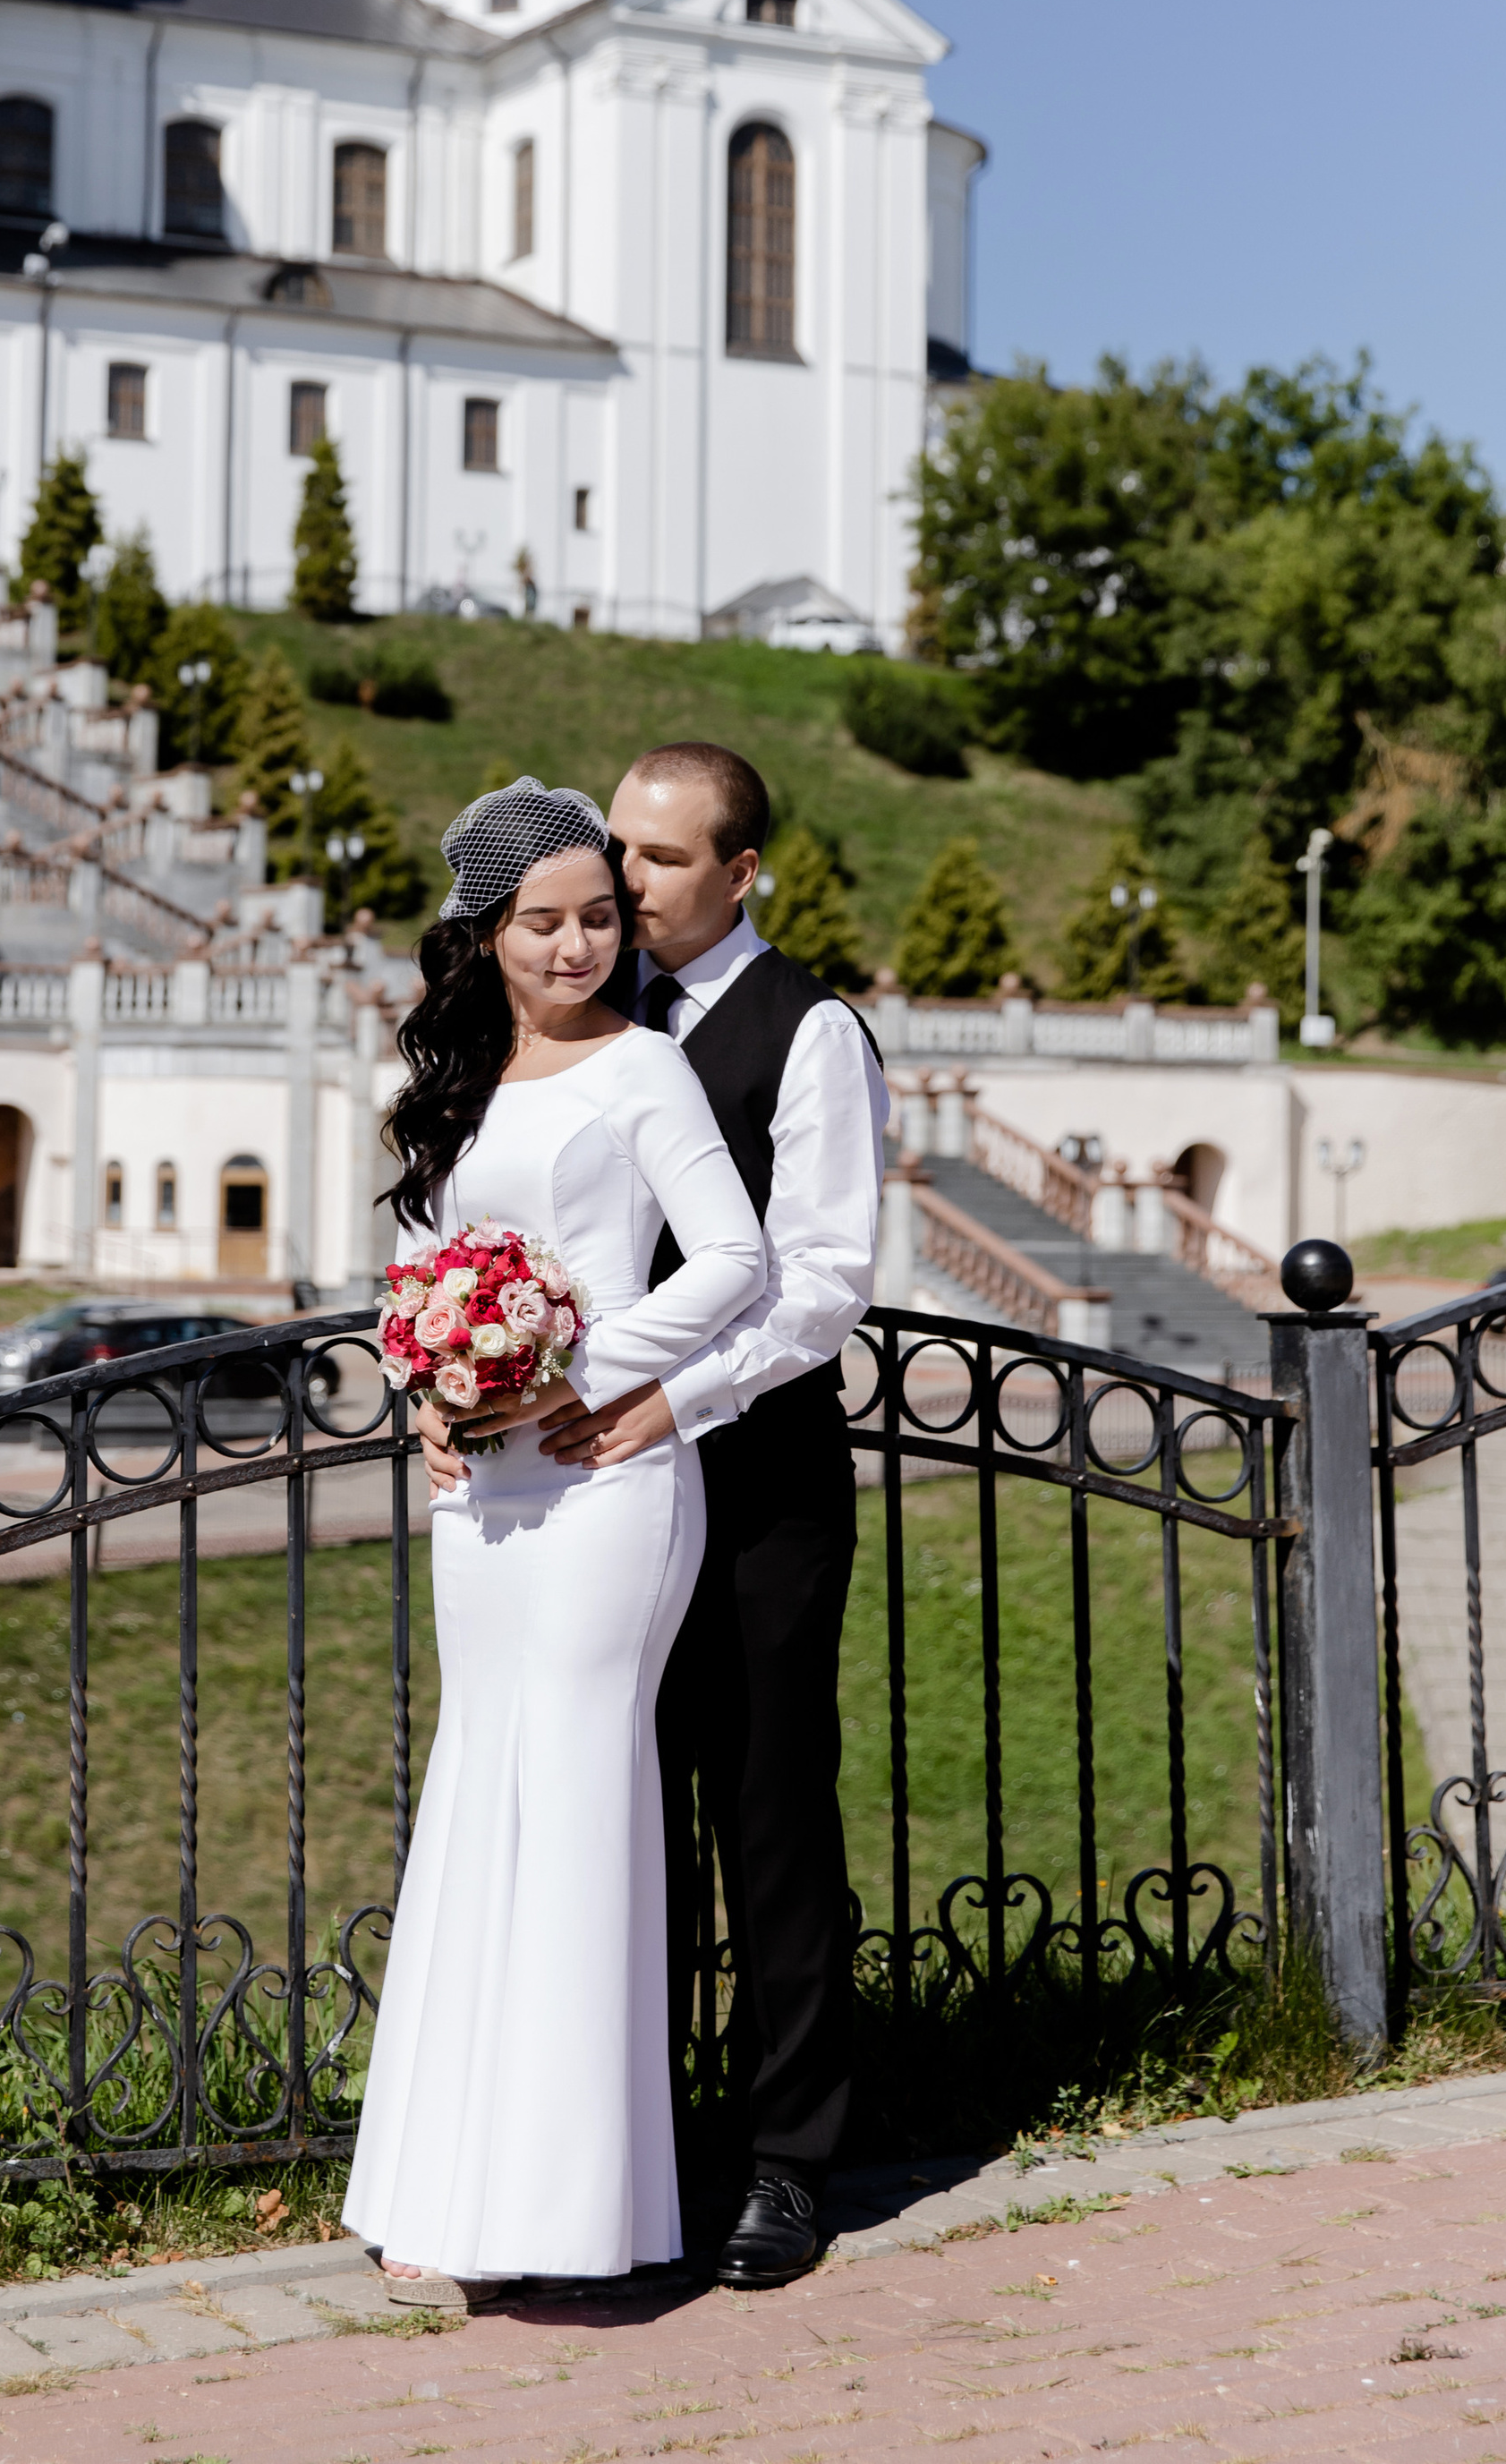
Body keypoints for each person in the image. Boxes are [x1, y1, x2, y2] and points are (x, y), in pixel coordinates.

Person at [422, 740, 887, 2288]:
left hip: (751, 1484)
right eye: (615, 846)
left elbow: (817, 1280)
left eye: (662, 860)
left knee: (763, 1812)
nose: (622, 881)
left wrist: (655, 1402)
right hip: (575, 1486)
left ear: (741, 873)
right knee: (621, 1811)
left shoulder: (806, 1031)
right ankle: (633, 2149)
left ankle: (789, 2163)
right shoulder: (574, 1024)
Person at [342, 776, 765, 2307]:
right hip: (485, 1495)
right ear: (487, 932)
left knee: (581, 1800)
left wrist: (573, 1367)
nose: (579, 944)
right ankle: (441, 2189)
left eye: (600, 916)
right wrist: (432, 1399)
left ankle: (569, 2212)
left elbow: (737, 1259)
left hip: (603, 1482)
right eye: (545, 922)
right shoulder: (450, 1083)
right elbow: (408, 1266)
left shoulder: (649, 1073)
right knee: (483, 1786)